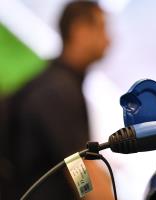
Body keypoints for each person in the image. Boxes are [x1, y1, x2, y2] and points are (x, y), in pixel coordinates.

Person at [7, 1, 113, 199]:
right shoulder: (58, 92)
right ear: (79, 30)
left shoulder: (58, 82)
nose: (109, 40)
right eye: (102, 28)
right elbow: (78, 169)